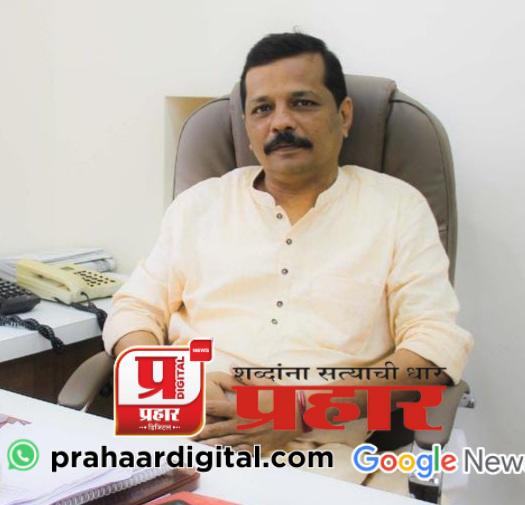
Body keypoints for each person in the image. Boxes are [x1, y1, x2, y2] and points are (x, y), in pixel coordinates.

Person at [102, 32, 473, 489]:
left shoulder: (397, 208)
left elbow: (433, 347)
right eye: (262, 109)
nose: (280, 123)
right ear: (247, 127)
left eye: (302, 103)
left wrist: (301, 409)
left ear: (344, 115)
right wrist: (174, 391)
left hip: (323, 460)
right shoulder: (200, 206)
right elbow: (134, 309)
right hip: (180, 440)